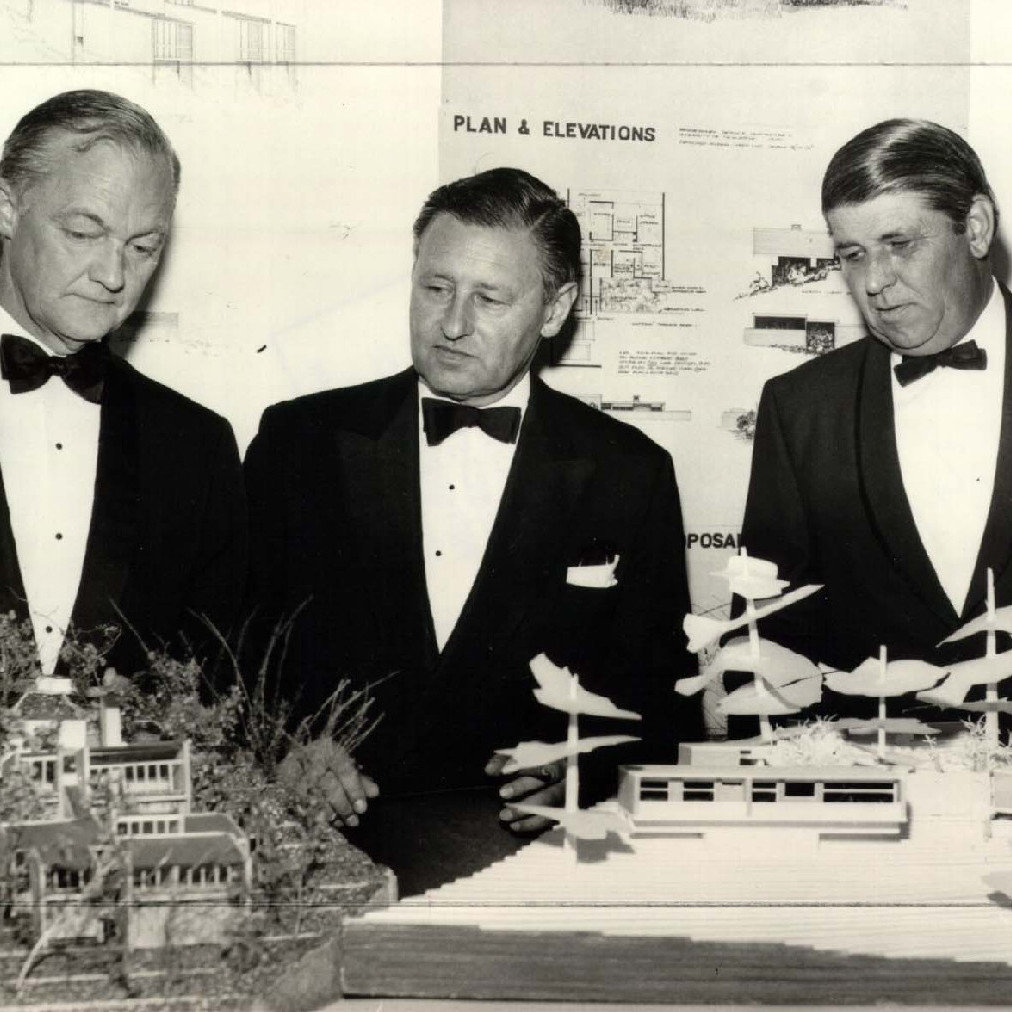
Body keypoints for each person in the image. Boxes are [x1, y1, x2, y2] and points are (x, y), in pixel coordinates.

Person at [245, 167, 702, 892]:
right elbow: (235, 659)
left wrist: (587, 770)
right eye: (436, 288)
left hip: (529, 871)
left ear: (556, 310)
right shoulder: (298, 441)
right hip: (318, 857)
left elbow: (662, 706)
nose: (453, 323)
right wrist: (287, 748)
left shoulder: (629, 472)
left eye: (489, 297)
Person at [738, 118, 1011, 719]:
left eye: (900, 244)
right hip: (863, 793)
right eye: (853, 255)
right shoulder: (799, 408)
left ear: (976, 228)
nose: (875, 283)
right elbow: (769, 651)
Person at [0, 90, 246, 679]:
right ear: (7, 208)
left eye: (142, 248)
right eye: (84, 232)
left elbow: (213, 684)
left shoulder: (197, 447)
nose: (114, 276)